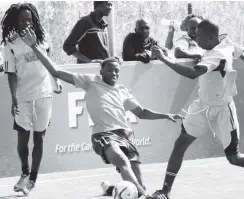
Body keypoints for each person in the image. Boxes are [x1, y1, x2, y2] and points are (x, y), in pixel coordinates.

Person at [19, 27, 182, 198]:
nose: (114, 73)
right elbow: (55, 71)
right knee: (123, 163)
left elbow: (142, 113)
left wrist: (166, 115)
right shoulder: (90, 81)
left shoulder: (121, 90)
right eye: (110, 69)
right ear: (101, 71)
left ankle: (112, 189)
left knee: (139, 186)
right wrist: (34, 46)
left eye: (117, 71)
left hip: (124, 137)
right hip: (103, 135)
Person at [149, 19, 244, 199]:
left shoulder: (218, 55)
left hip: (223, 110)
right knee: (180, 144)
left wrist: (163, 59)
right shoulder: (226, 41)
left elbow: (192, 74)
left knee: (234, 158)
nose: (196, 40)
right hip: (202, 107)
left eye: (199, 37)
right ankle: (165, 191)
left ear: (211, 36)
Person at [1, 3, 62, 195]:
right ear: (15, 23)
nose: (27, 23)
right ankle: (24, 174)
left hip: (44, 94)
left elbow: (50, 63)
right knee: (22, 138)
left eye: (30, 19)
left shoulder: (42, 37)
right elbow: (10, 73)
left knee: (39, 137)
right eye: (23, 20)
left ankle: (32, 179)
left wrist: (56, 80)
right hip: (23, 95)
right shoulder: (9, 42)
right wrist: (13, 98)